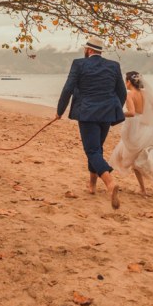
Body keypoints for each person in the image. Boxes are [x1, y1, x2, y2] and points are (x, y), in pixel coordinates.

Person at [55, 36, 127, 209]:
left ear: (88, 50)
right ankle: (92, 185)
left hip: (87, 113)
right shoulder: (113, 66)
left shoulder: (79, 64)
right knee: (97, 149)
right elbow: (122, 92)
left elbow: (67, 89)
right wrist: (114, 109)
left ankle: (110, 183)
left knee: (92, 150)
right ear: (99, 51)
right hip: (107, 115)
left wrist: (60, 111)